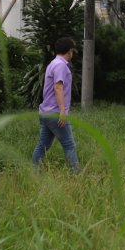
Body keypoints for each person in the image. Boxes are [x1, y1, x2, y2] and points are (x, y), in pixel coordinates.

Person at [31, 37, 80, 173]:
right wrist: (63, 111)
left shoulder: (53, 63)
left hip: (45, 112)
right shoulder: (60, 65)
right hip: (55, 113)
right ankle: (77, 175)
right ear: (69, 51)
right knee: (69, 145)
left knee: (43, 145)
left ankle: (34, 172)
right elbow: (58, 87)